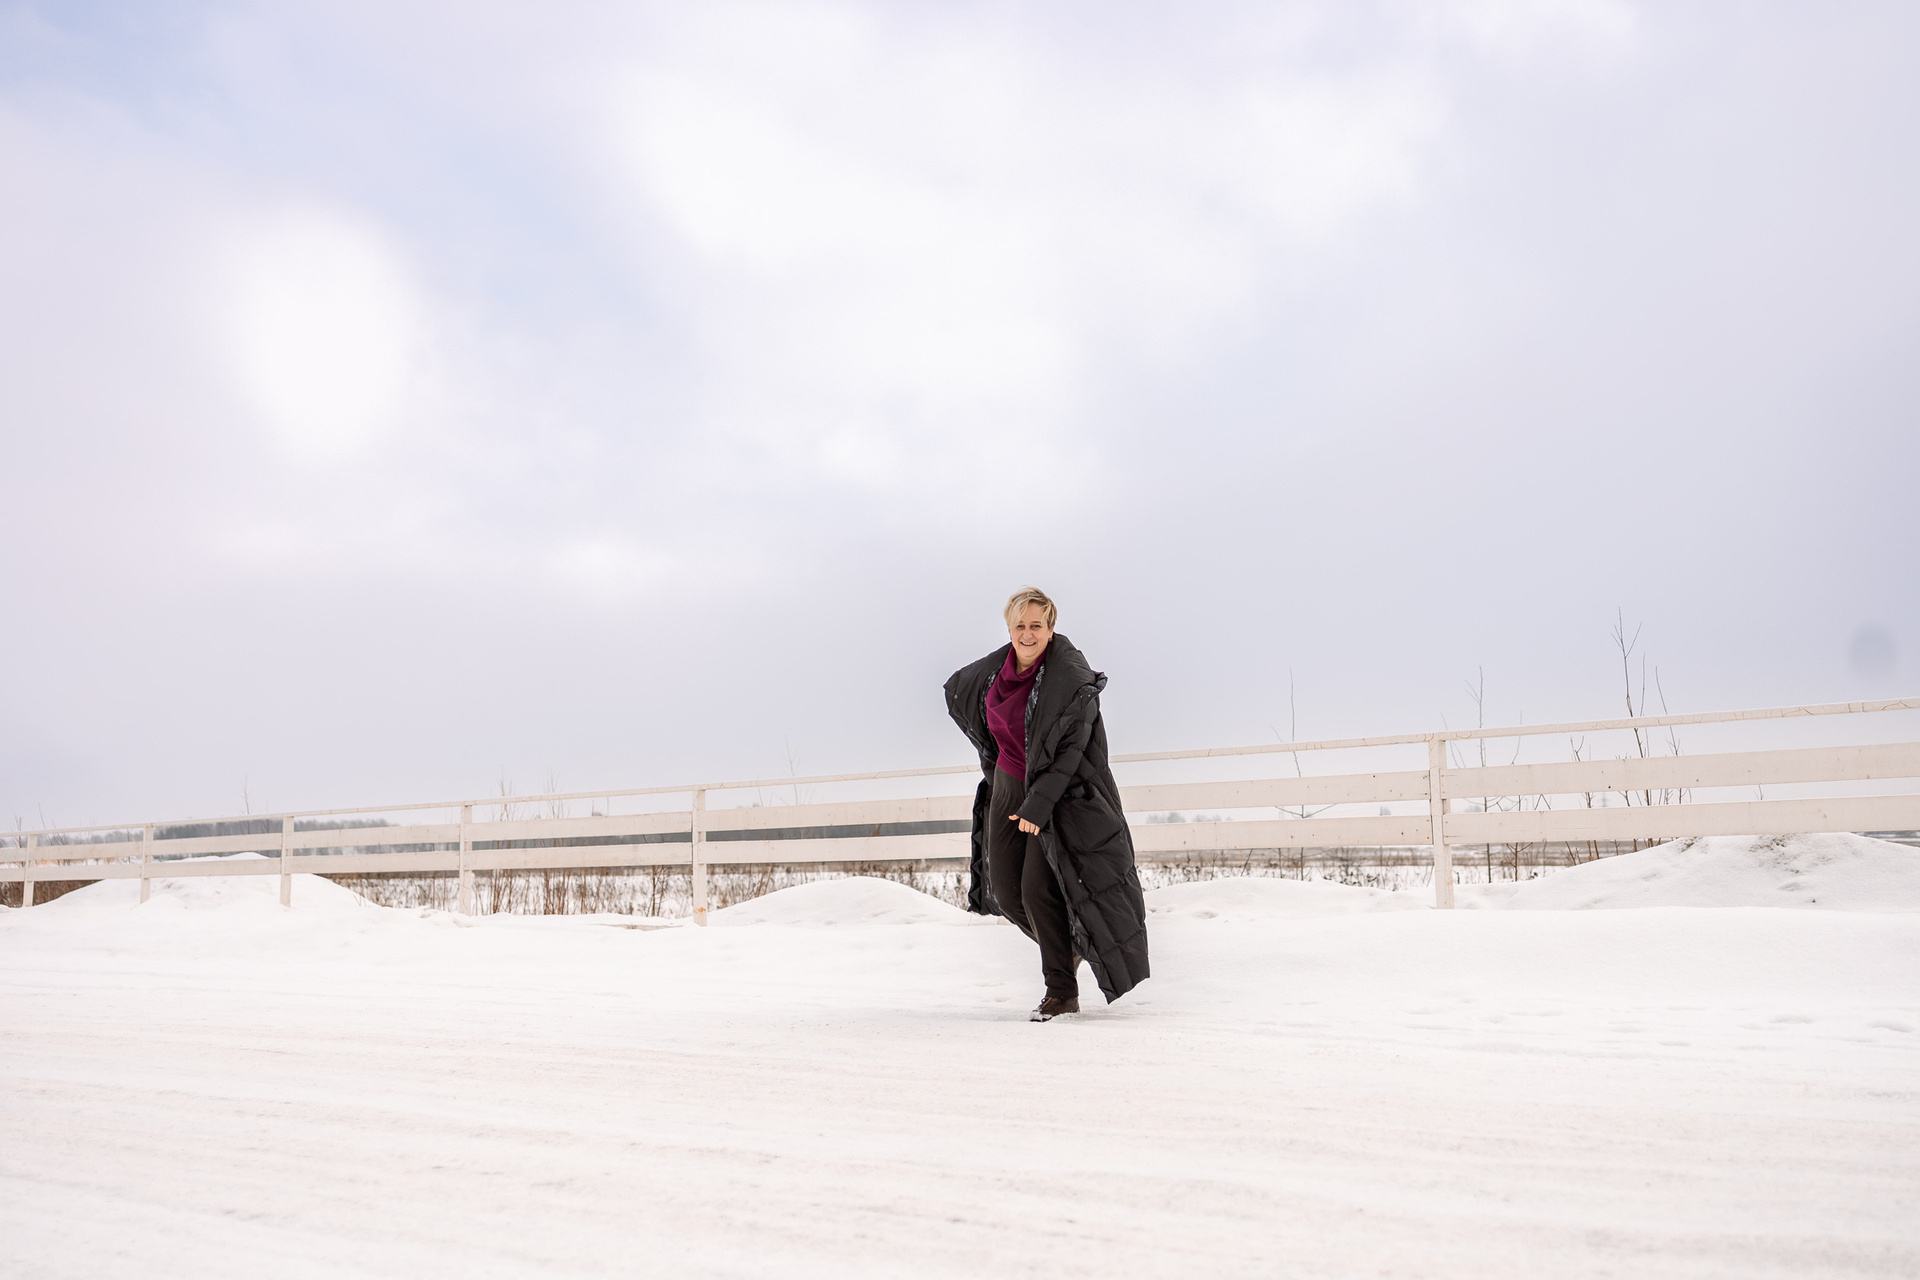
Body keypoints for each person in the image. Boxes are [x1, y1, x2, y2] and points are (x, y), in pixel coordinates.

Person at [943, 587, 1150, 1021]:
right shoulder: (992, 676)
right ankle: (1067, 949)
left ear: (1051, 629)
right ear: (1009, 628)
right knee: (1005, 892)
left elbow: (1070, 752)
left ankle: (1061, 992)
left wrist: (1038, 805)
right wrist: (997, 775)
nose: (1027, 633)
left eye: (1036, 625)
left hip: (1055, 796)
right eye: (1019, 625)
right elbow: (986, 730)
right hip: (1007, 789)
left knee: (1037, 890)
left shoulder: (1070, 680)